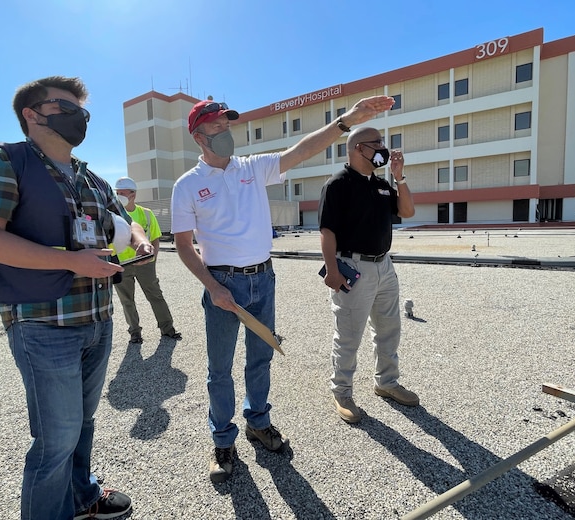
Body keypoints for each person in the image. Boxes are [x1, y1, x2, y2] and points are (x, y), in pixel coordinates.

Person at [171, 95, 395, 482]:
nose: (225, 132)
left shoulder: (251, 169)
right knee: (219, 370)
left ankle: (258, 421)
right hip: (222, 283)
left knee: (261, 358)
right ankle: (223, 440)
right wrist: (212, 287)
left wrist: (346, 121)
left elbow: (301, 149)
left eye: (228, 126)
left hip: (263, 278)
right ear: (198, 136)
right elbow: (183, 245)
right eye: (216, 128)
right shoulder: (187, 185)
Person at [0, 76, 150, 520]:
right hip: (42, 322)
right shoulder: (1, 160)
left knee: (82, 425)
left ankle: (82, 497)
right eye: (67, 107)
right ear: (32, 113)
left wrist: (140, 241)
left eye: (82, 110)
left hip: (97, 318)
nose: (80, 117)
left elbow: (127, 220)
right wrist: (69, 261)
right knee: (55, 439)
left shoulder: (89, 176)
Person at [318, 127, 418, 424]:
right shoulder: (337, 184)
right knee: (349, 335)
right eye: (378, 143)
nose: (383, 148)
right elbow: (327, 231)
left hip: (384, 266)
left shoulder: (383, 185)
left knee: (389, 329)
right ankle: (342, 392)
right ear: (359, 148)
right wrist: (332, 270)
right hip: (353, 266)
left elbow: (408, 212)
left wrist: (399, 177)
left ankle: (386, 383)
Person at [113, 177, 182, 343]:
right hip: (121, 264)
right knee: (127, 300)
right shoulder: (112, 216)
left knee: (155, 296)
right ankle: (135, 333)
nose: (119, 195)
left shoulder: (146, 214)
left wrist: (152, 261)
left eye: (123, 192)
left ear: (133, 194)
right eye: (117, 193)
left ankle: (167, 328)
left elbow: (155, 239)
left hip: (144, 264)